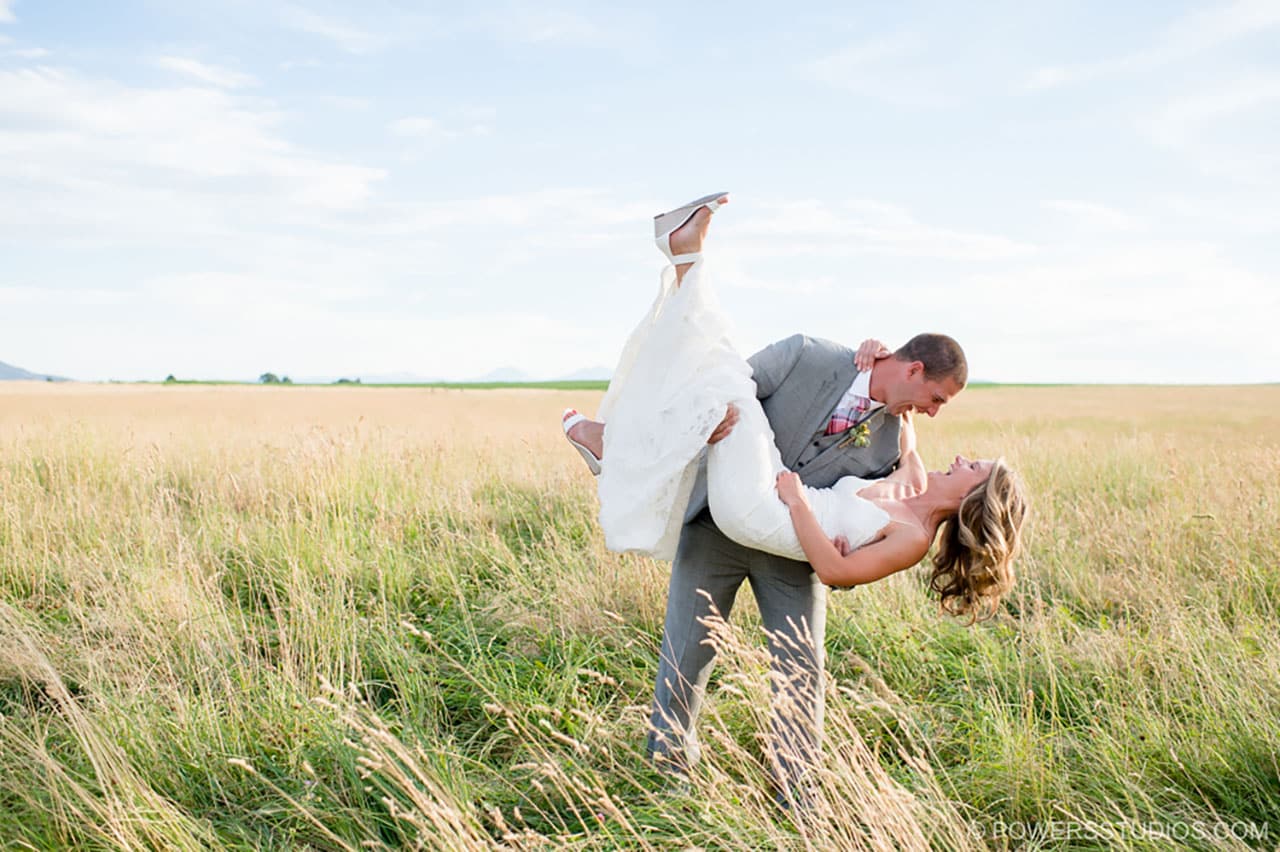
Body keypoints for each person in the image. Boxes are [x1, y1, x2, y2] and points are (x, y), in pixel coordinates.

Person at [561, 194, 1027, 796]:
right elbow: (716, 387)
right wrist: (711, 423)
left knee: (802, 672)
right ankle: (667, 775)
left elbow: (893, 505)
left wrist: (894, 457)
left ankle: (798, 792)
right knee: (687, 654)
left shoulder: (896, 440)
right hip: (718, 533)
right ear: (913, 370)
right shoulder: (808, 354)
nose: (933, 415)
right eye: (935, 398)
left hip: (794, 553)